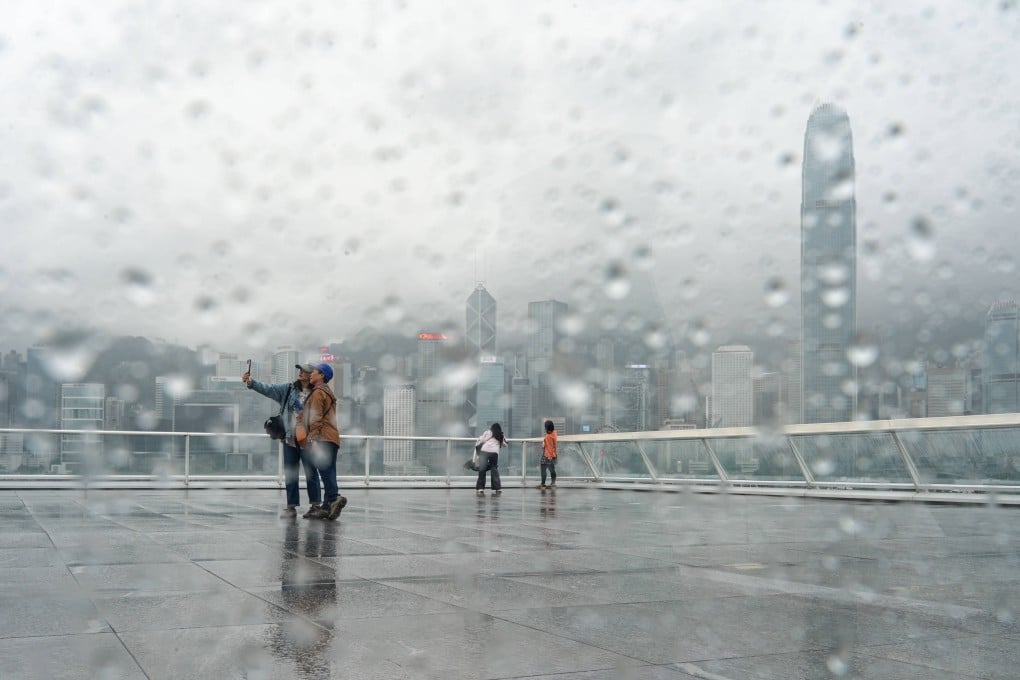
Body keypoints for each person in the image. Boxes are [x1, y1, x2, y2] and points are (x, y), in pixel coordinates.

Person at [244, 363, 322, 518]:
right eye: (299, 370)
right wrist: (251, 382)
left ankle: (315, 506)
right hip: (290, 439)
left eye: (304, 371)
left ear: (311, 374)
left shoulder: (317, 393)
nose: (300, 373)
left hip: (309, 440)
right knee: (291, 473)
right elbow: (268, 389)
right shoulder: (288, 389)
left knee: (311, 472)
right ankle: (291, 507)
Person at [304, 363, 347, 520]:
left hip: (322, 437)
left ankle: (335, 498)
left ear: (321, 375)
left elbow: (316, 417)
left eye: (314, 372)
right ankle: (327, 506)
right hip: (332, 437)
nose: (311, 374)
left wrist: (312, 439)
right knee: (330, 470)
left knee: (325, 470)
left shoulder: (317, 393)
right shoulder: (327, 393)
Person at [475, 422, 506, 496]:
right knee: (494, 469)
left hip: (484, 451)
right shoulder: (500, 434)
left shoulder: (487, 432)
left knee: (482, 469)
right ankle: (497, 488)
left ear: (491, 428)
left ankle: (480, 488)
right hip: (494, 453)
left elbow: (482, 440)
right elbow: (504, 444)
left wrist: (480, 438)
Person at [540, 419, 557, 488]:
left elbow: (549, 447)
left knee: (543, 469)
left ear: (547, 428)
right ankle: (553, 483)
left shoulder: (548, 437)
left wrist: (549, 458)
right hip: (553, 455)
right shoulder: (554, 433)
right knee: (552, 469)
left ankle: (543, 483)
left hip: (547, 456)